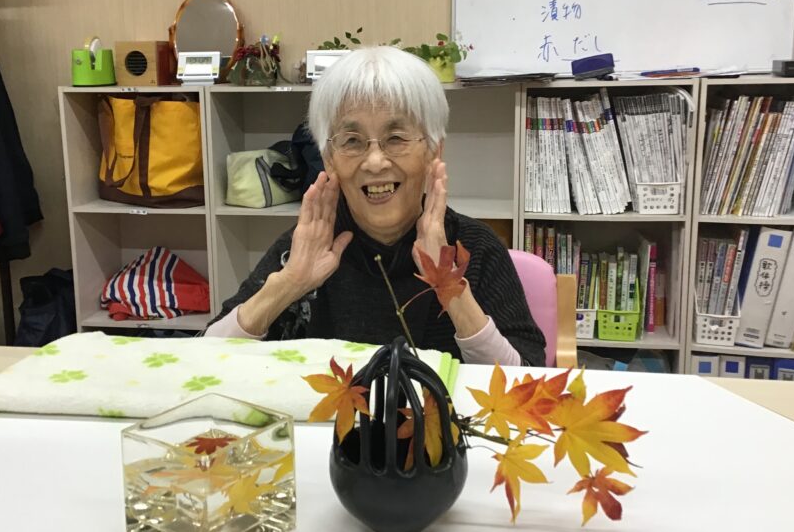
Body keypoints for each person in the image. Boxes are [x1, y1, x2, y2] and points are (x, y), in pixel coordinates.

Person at [205, 46, 545, 366]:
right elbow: (203, 358)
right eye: (352, 141)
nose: (375, 162)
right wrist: (290, 282)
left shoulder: (474, 247)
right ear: (329, 159)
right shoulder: (309, 247)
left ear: (433, 151)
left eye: (396, 138)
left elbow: (526, 377)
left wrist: (448, 283)